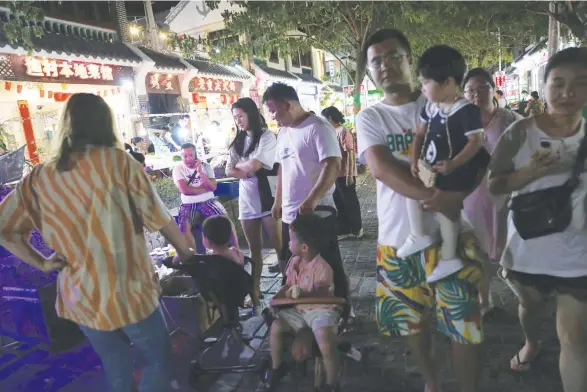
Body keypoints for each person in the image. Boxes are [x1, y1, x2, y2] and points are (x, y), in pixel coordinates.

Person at [0, 93, 194, 392]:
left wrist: (42, 262)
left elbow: (6, 230)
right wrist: (185, 251)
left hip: (80, 294)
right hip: (128, 289)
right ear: (107, 123)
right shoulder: (119, 163)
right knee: (158, 358)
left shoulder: (39, 177)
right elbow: (160, 218)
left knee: (116, 364)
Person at [357, 29, 485, 392]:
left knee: (464, 327)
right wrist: (439, 198)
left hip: (454, 237)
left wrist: (458, 193)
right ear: (369, 71)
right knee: (411, 326)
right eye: (376, 61)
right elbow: (382, 168)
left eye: (394, 56)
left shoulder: (446, 103)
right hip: (398, 241)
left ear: (410, 60)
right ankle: (432, 383)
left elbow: (477, 159)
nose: (386, 66)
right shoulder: (370, 117)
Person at [488, 47, 587, 392]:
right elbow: (495, 185)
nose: (567, 93)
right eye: (558, 83)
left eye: (580, 83)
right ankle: (532, 341)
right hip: (528, 245)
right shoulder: (519, 133)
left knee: (574, 342)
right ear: (544, 87)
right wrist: (529, 173)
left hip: (578, 251)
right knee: (529, 306)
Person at [400, 45, 489, 283]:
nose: (422, 88)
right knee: (411, 190)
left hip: (455, 170)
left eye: (425, 83)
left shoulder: (466, 110)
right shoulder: (430, 106)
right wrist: (414, 160)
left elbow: (476, 142)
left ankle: (450, 256)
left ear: (448, 82)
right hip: (430, 165)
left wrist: (454, 164)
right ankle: (419, 234)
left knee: (446, 209)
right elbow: (419, 134)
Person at [263, 83, 342, 275]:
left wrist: (312, 200)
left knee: (327, 269)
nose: (272, 117)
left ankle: (339, 303)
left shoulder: (318, 127)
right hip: (290, 214)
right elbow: (284, 168)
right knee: (293, 270)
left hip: (316, 214)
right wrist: (278, 200)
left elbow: (332, 165)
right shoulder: (283, 133)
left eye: (273, 110)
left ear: (288, 104)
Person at [462, 68, 523, 316]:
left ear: (493, 89)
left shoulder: (511, 119)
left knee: (511, 249)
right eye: (470, 90)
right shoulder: (459, 125)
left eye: (482, 88)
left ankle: (526, 298)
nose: (476, 94)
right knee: (477, 253)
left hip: (507, 197)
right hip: (472, 199)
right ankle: (483, 300)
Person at [267, 213, 348, 392]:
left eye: (290, 240)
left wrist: (302, 293)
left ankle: (331, 383)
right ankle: (276, 367)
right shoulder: (293, 262)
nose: (288, 243)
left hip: (321, 309)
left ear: (303, 247)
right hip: (300, 310)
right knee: (276, 326)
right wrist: (279, 298)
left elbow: (321, 294)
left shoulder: (322, 267)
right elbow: (287, 286)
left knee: (325, 341)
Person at [226, 97, 282, 310]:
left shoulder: (267, 137)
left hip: (267, 196)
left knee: (279, 245)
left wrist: (244, 166)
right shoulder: (237, 142)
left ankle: (289, 284)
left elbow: (257, 164)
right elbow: (230, 169)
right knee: (253, 248)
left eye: (240, 115)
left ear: (251, 113)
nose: (238, 120)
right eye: (235, 117)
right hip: (247, 198)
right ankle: (255, 290)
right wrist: (246, 166)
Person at [172, 142, 237, 252]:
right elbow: (185, 190)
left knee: (226, 221)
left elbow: (213, 187)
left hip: (208, 201)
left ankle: (236, 251)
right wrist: (204, 188)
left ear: (195, 155)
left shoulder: (206, 166)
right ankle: (193, 258)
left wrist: (201, 172)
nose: (187, 159)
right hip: (188, 203)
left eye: (190, 155)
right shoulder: (178, 169)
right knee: (183, 228)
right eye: (184, 156)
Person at [321, 106, 364, 240]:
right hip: (335, 174)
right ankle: (344, 228)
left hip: (345, 173)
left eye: (324, 118)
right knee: (339, 202)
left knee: (350, 201)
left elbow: (350, 153)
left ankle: (357, 228)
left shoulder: (343, 130)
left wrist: (350, 174)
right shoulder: (330, 131)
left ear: (329, 118)